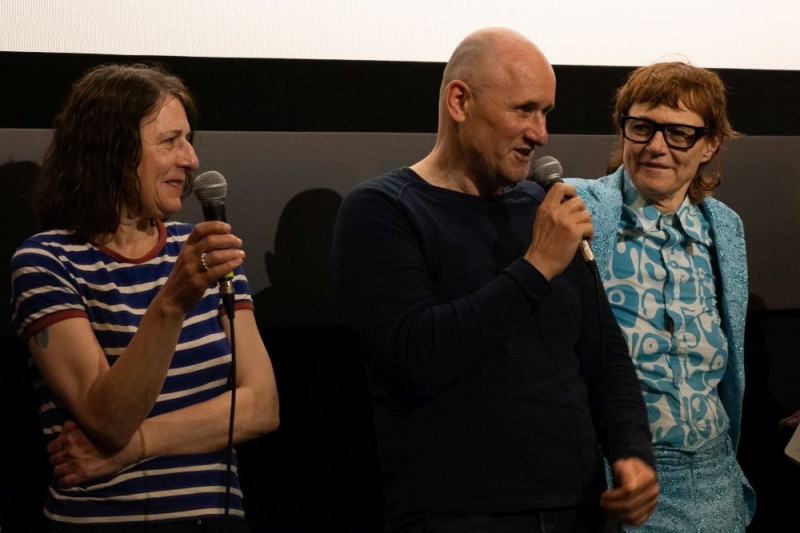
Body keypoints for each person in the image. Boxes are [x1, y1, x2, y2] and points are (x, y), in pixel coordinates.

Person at [332, 27, 658, 532]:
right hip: (459, 513)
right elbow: (416, 355)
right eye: (524, 110)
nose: (540, 133)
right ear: (460, 101)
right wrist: (537, 266)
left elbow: (604, 354)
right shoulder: (383, 210)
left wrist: (632, 451)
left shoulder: (541, 207)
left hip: (579, 507)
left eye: (545, 112)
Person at [9, 63, 279, 531]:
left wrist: (135, 446)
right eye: (170, 141)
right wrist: (172, 304)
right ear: (113, 151)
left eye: (188, 140)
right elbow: (107, 419)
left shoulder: (201, 251)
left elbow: (261, 406)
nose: (191, 159)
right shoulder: (48, 261)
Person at [567, 61, 756, 532]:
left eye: (678, 133)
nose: (656, 146)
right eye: (642, 127)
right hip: (622, 481)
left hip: (717, 476)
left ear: (710, 144)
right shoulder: (578, 208)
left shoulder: (724, 227)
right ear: (623, 129)